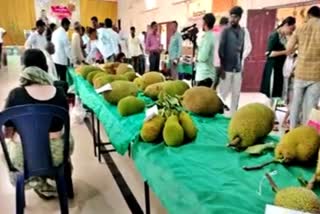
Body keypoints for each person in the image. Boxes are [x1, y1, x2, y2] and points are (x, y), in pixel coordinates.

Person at [3, 49, 74, 199]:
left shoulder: (15, 95)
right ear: (46, 69)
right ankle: (59, 181)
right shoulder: (59, 93)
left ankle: (35, 180)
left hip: (23, 158)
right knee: (66, 138)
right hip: (56, 155)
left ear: (24, 69)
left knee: (8, 149)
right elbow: (62, 125)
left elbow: (6, 133)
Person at [287, 6, 320, 129]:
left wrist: (299, 48)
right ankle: (306, 133)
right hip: (317, 73)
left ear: (309, 15)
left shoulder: (301, 28)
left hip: (300, 72)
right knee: (310, 106)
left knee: (296, 103)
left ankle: (292, 130)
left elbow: (288, 49)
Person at [219, 6, 253, 115]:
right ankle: (219, 114)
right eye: (231, 17)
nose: (233, 19)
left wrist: (240, 60)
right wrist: (221, 68)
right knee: (222, 93)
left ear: (240, 18)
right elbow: (220, 50)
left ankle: (234, 115)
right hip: (226, 68)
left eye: (235, 17)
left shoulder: (243, 31)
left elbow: (247, 47)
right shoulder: (225, 31)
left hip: (238, 68)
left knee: (236, 93)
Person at [260, 16, 296, 99]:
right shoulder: (274, 35)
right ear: (286, 25)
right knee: (271, 92)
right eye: (291, 29)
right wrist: (285, 52)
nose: (291, 32)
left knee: (277, 93)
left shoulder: (283, 37)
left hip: (280, 68)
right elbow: (269, 53)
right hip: (273, 67)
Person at [195, 13, 216, 87]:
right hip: (210, 72)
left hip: (204, 75)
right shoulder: (213, 36)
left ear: (205, 23)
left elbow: (203, 57)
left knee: (199, 97)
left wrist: (196, 58)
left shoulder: (207, 38)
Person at [213, 17, 229, 88]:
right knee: (216, 81)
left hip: (220, 62)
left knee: (217, 81)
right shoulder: (216, 35)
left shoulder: (216, 34)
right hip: (218, 62)